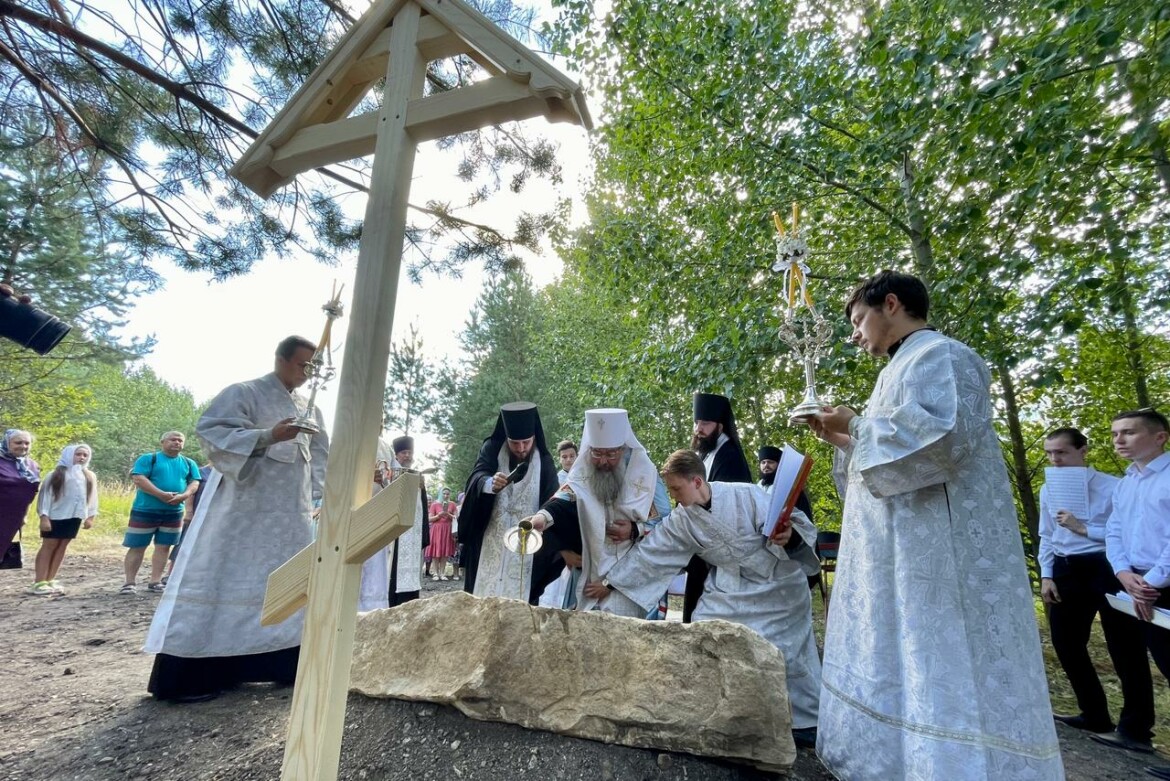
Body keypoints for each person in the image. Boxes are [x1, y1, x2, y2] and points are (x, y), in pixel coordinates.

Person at [809, 271, 1062, 779]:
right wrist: (844, 439)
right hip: (901, 553)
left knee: (944, 661)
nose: (854, 334)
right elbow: (883, 464)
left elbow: (943, 441)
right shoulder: (895, 370)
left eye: (858, 320)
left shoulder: (943, 356)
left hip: (942, 555)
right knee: (903, 655)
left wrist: (855, 424)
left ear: (891, 304)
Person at [584, 449, 822, 748]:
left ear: (696, 481)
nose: (673, 496)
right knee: (705, 629)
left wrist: (789, 535)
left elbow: (795, 523)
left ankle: (804, 720)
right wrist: (611, 583)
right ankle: (728, 713)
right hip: (730, 586)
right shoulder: (682, 519)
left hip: (777, 584)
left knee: (784, 648)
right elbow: (651, 554)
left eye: (676, 489)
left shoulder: (746, 495)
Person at [144, 335, 328, 702]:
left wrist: (325, 495)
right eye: (302, 364)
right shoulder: (244, 393)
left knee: (284, 582)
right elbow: (212, 432)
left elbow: (321, 455)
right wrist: (269, 435)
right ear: (281, 359)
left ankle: (276, 664)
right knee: (224, 576)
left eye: (313, 367)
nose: (308, 373)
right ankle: (195, 675)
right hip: (240, 510)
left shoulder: (311, 409)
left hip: (289, 515)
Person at [1039, 427, 1153, 743]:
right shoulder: (1048, 488)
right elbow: (1046, 533)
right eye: (1049, 453)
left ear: (1082, 450)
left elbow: (1129, 534)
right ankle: (1094, 714)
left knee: (1125, 647)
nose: (1054, 459)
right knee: (1066, 643)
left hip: (1108, 567)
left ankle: (1136, 729)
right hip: (1065, 568)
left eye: (1061, 452)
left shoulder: (1114, 486)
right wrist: (1047, 574)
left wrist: (1083, 528)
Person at [530, 408, 659, 617]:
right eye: (597, 453)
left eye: (611, 454)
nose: (603, 461)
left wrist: (635, 529)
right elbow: (563, 500)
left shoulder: (645, 474)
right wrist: (541, 518)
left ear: (623, 449)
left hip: (628, 574)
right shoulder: (582, 471)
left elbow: (664, 522)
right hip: (589, 569)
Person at [1098, 409, 1170, 767]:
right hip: (1134, 582)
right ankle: (1135, 731)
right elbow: (1114, 531)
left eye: (1128, 432)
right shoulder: (1126, 482)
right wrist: (1123, 572)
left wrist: (1151, 582)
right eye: (1115, 434)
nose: (1119, 440)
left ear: (1160, 437)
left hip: (1161, 583)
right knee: (1152, 660)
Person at [457, 402, 559, 602]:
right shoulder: (492, 448)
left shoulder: (545, 462)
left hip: (526, 544)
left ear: (534, 437)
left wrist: (543, 518)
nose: (521, 449)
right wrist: (489, 483)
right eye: (515, 443)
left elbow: (553, 501)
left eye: (526, 442)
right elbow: (477, 476)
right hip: (489, 538)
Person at [684, 392, 753, 622]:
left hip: (720, 553)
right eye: (696, 422)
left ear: (720, 426)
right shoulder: (703, 454)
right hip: (701, 546)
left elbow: (730, 508)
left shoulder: (729, 456)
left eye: (705, 423)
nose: (698, 429)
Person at [122, 432, 202, 595]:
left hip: (174, 512)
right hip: (145, 510)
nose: (177, 442)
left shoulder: (189, 463)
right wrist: (160, 494)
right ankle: (129, 583)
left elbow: (195, 482)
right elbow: (139, 479)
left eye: (180, 440)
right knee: (137, 546)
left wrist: (184, 495)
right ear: (162, 442)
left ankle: (155, 581)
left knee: (164, 546)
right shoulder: (148, 459)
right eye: (173, 439)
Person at [358, 435, 429, 610]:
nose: (407, 456)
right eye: (404, 452)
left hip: (411, 537)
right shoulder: (391, 470)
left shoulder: (416, 475)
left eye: (410, 452)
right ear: (396, 455)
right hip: (393, 534)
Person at [30, 444, 97, 595]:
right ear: (69, 455)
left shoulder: (89, 476)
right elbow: (45, 497)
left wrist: (90, 517)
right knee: (49, 545)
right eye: (78, 454)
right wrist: (44, 517)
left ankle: (50, 578)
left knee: (62, 546)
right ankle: (39, 581)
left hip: (74, 516)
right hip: (55, 516)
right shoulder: (55, 474)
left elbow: (93, 498)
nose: (81, 458)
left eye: (85, 455)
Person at [0, 429, 40, 566]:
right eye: (18, 442)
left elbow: (31, 492)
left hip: (12, 519)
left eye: (27, 443)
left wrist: (25, 515)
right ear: (7, 443)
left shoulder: (31, 466)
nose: (23, 446)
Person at [757, 444, 814, 521]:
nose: (766, 465)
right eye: (763, 462)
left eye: (770, 462)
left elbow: (804, 519)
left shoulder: (790, 487)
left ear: (779, 465)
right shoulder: (756, 488)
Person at [426, 487, 457, 580]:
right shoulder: (434, 504)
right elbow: (429, 519)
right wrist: (438, 515)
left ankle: (442, 573)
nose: (446, 495)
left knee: (445, 551)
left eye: (447, 494)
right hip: (436, 529)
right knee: (436, 551)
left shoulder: (452, 504)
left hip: (447, 529)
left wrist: (448, 514)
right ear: (440, 494)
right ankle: (435, 573)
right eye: (444, 493)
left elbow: (456, 517)